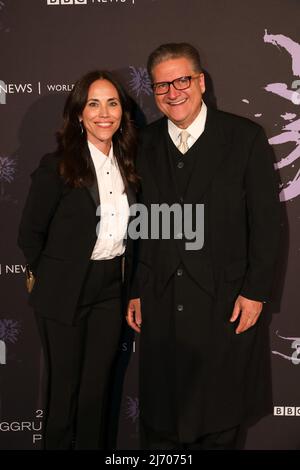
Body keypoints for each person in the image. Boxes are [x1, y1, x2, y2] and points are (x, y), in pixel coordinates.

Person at [126, 43, 280, 450]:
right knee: (160, 420)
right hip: (161, 301)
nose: (173, 92)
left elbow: (267, 223)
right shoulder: (142, 143)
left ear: (201, 82)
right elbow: (138, 224)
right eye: (162, 86)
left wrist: (256, 292)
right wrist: (138, 288)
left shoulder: (244, 137)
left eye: (182, 80)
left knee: (220, 416)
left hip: (224, 301)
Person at [18, 70, 138, 450]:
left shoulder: (130, 166)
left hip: (109, 288)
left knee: (95, 393)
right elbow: (29, 235)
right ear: (78, 113)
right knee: (63, 393)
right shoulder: (58, 165)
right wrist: (54, 276)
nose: (104, 113)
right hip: (64, 289)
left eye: (113, 103)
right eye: (93, 103)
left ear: (122, 112)